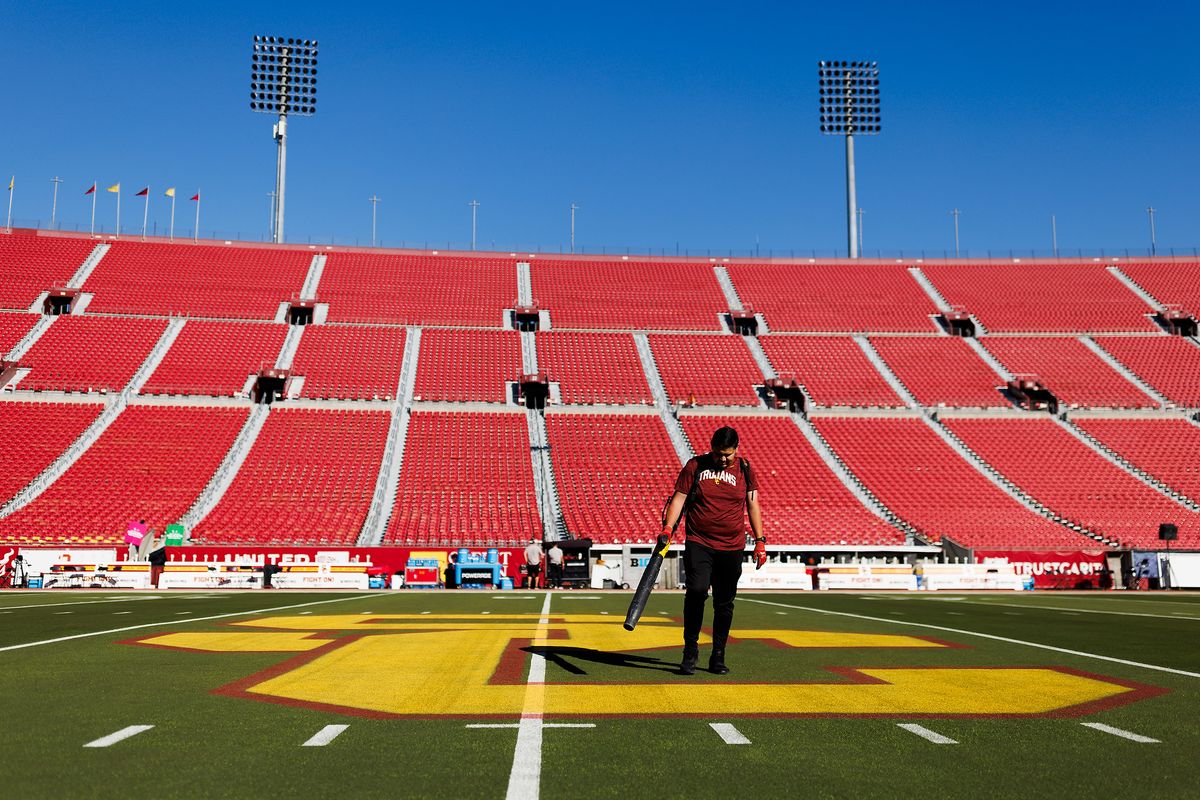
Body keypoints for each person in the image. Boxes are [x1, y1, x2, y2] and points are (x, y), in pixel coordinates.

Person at [661, 425, 766, 676]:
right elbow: (678, 498)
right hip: (699, 541)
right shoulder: (695, 466)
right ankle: (690, 651)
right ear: (711, 448)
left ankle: (718, 655)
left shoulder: (745, 469)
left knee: (724, 602)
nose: (722, 459)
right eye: (718, 453)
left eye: (727, 454)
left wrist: (760, 540)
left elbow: (753, 504)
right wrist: (667, 528)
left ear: (737, 450)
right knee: (696, 592)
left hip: (732, 546)